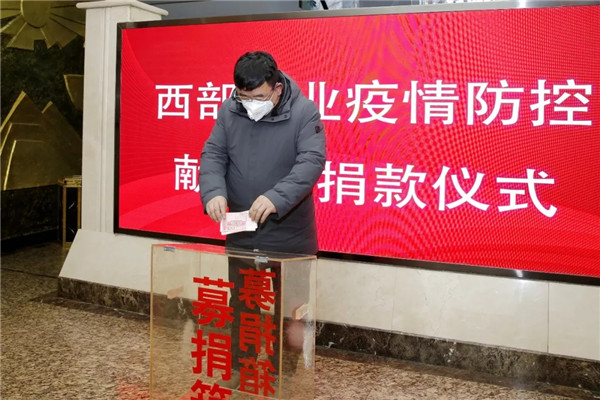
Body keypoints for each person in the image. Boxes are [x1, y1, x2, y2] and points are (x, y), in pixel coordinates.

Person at [199, 51, 326, 394]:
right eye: (244, 97)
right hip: (242, 227)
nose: (250, 104)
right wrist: (213, 191)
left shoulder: (304, 112)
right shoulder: (230, 110)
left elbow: (312, 161)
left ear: (277, 88)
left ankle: (281, 372)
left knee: (290, 310)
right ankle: (240, 366)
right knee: (243, 303)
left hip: (289, 230)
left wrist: (276, 197)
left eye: (257, 97)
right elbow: (214, 154)